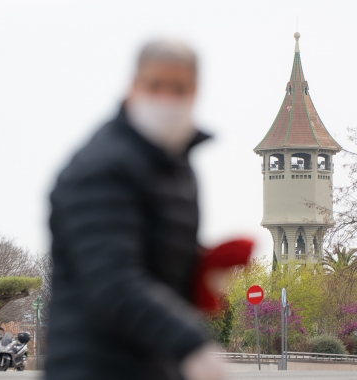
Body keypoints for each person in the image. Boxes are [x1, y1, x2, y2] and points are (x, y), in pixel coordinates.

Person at [47, 39, 243, 380]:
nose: (167, 99)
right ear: (135, 85)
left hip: (152, 363)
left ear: (195, 91)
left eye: (179, 88)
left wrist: (197, 267)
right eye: (156, 86)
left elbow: (149, 262)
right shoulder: (101, 167)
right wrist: (191, 343)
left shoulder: (175, 164)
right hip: (94, 365)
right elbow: (112, 281)